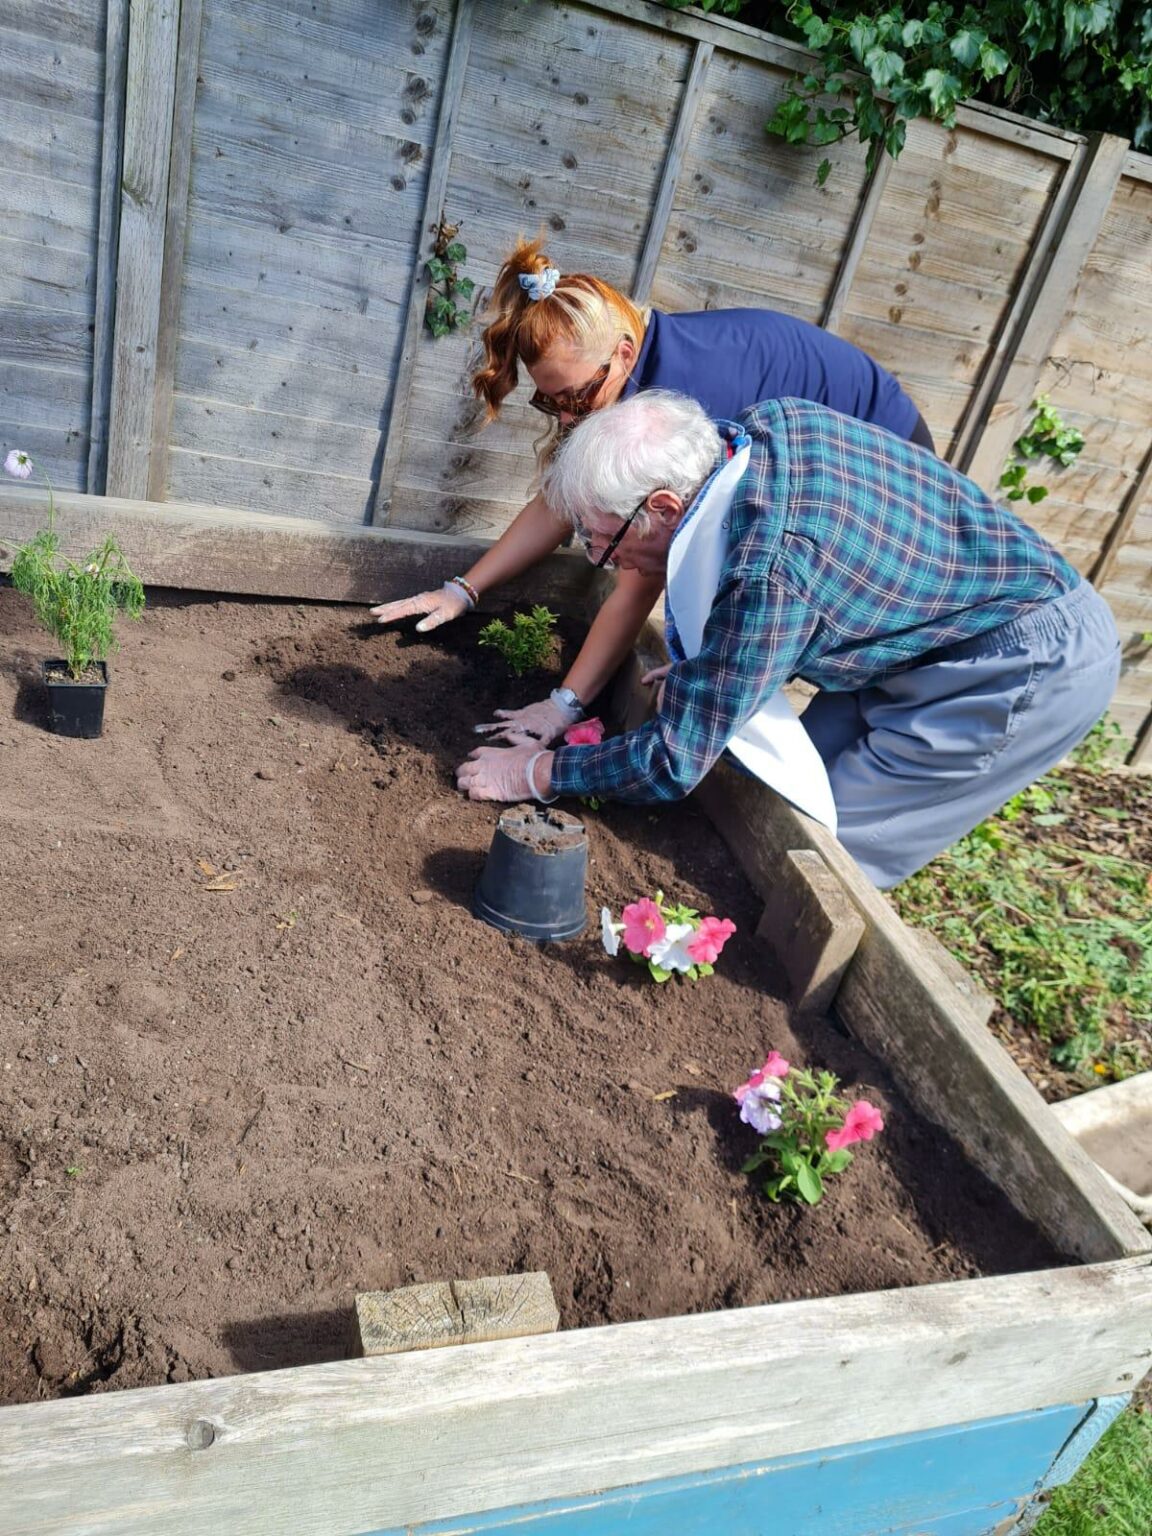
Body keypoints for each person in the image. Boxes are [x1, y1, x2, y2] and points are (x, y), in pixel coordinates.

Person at [455, 391, 1121, 890]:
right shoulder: (760, 431)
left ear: (663, 507)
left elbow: (671, 761)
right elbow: (800, 584)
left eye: (603, 538)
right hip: (924, 627)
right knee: (783, 794)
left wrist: (536, 772)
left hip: (1019, 663)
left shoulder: (772, 571)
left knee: (825, 855)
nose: (600, 555)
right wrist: (720, 667)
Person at [370, 238, 933, 747]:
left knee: (820, 643)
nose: (566, 418)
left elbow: (641, 578)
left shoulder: (678, 406)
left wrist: (563, 706)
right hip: (811, 452)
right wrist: (462, 590)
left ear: (622, 354)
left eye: (575, 398)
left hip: (883, 463)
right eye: (550, 403)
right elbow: (563, 498)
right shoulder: (617, 374)